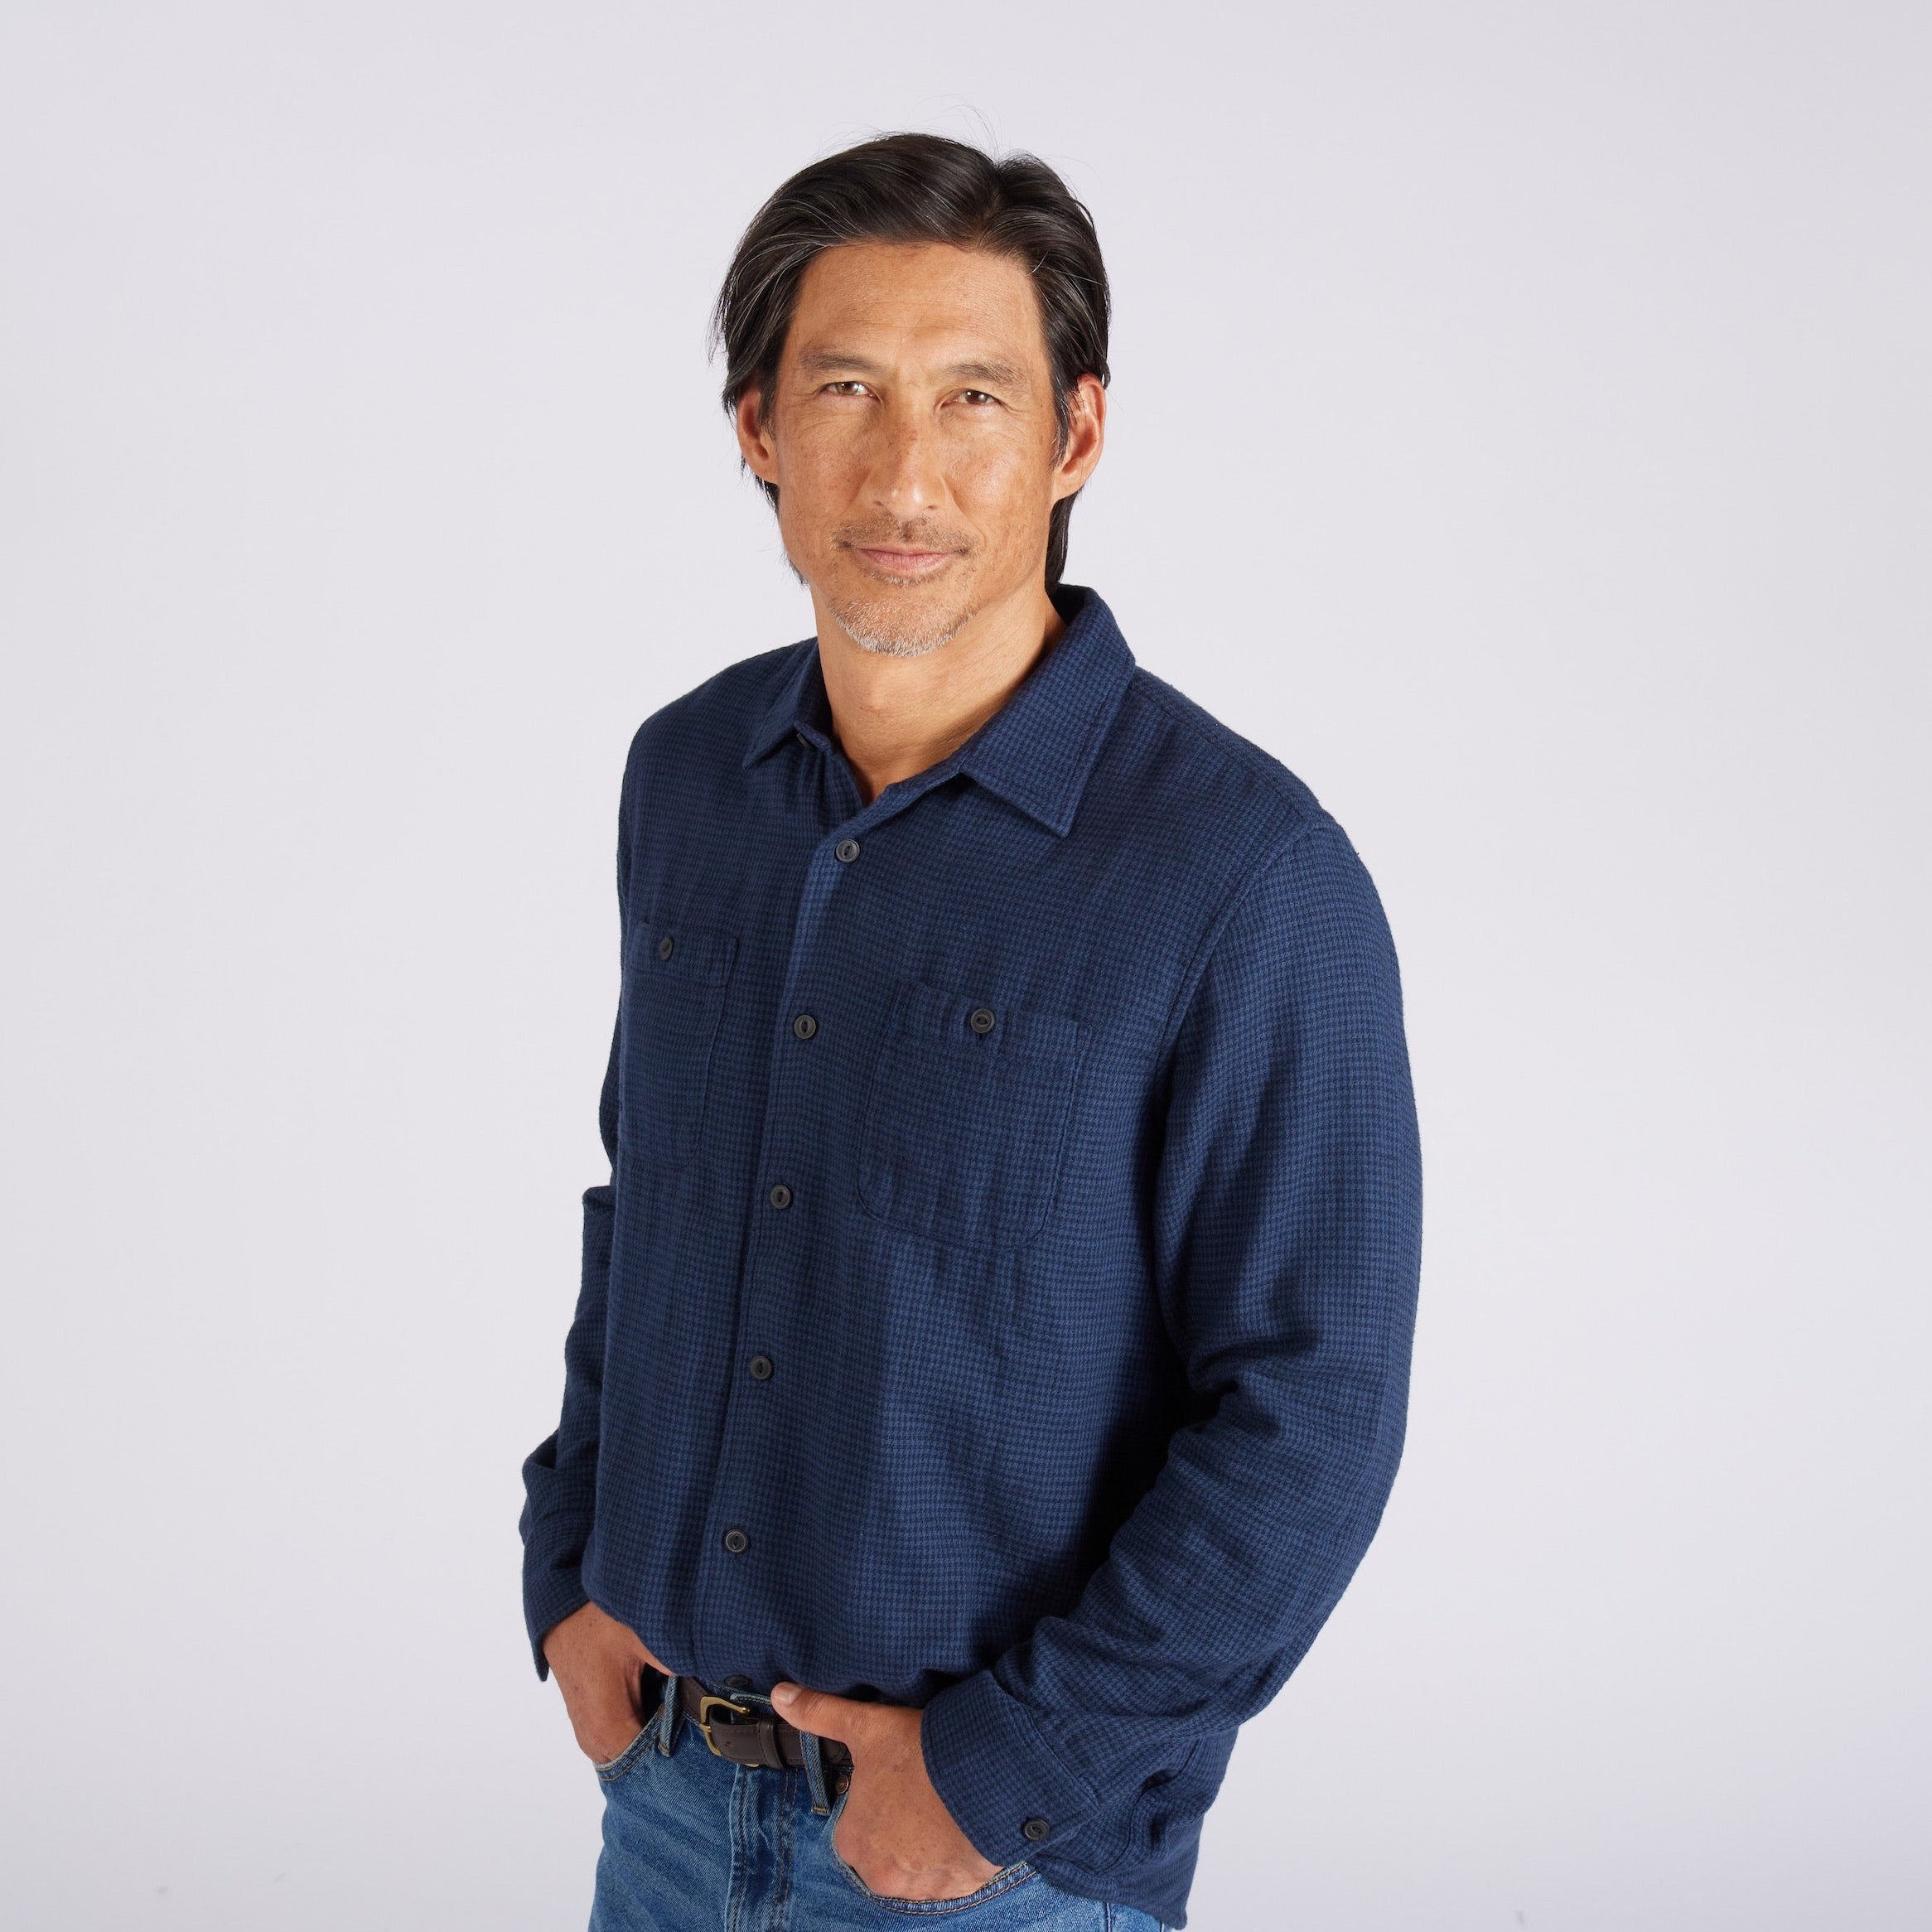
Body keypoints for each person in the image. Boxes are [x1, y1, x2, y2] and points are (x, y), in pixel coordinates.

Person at [520, 133, 1422, 1932]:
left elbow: (1307, 1409)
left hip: (995, 1864)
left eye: (972, 397)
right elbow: (657, 1199)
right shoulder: (687, 778)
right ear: (758, 427)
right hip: (665, 1805)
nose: (904, 471)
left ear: (1075, 435)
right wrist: (573, 1559)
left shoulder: (1243, 871)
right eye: (844, 389)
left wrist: (1003, 1771)